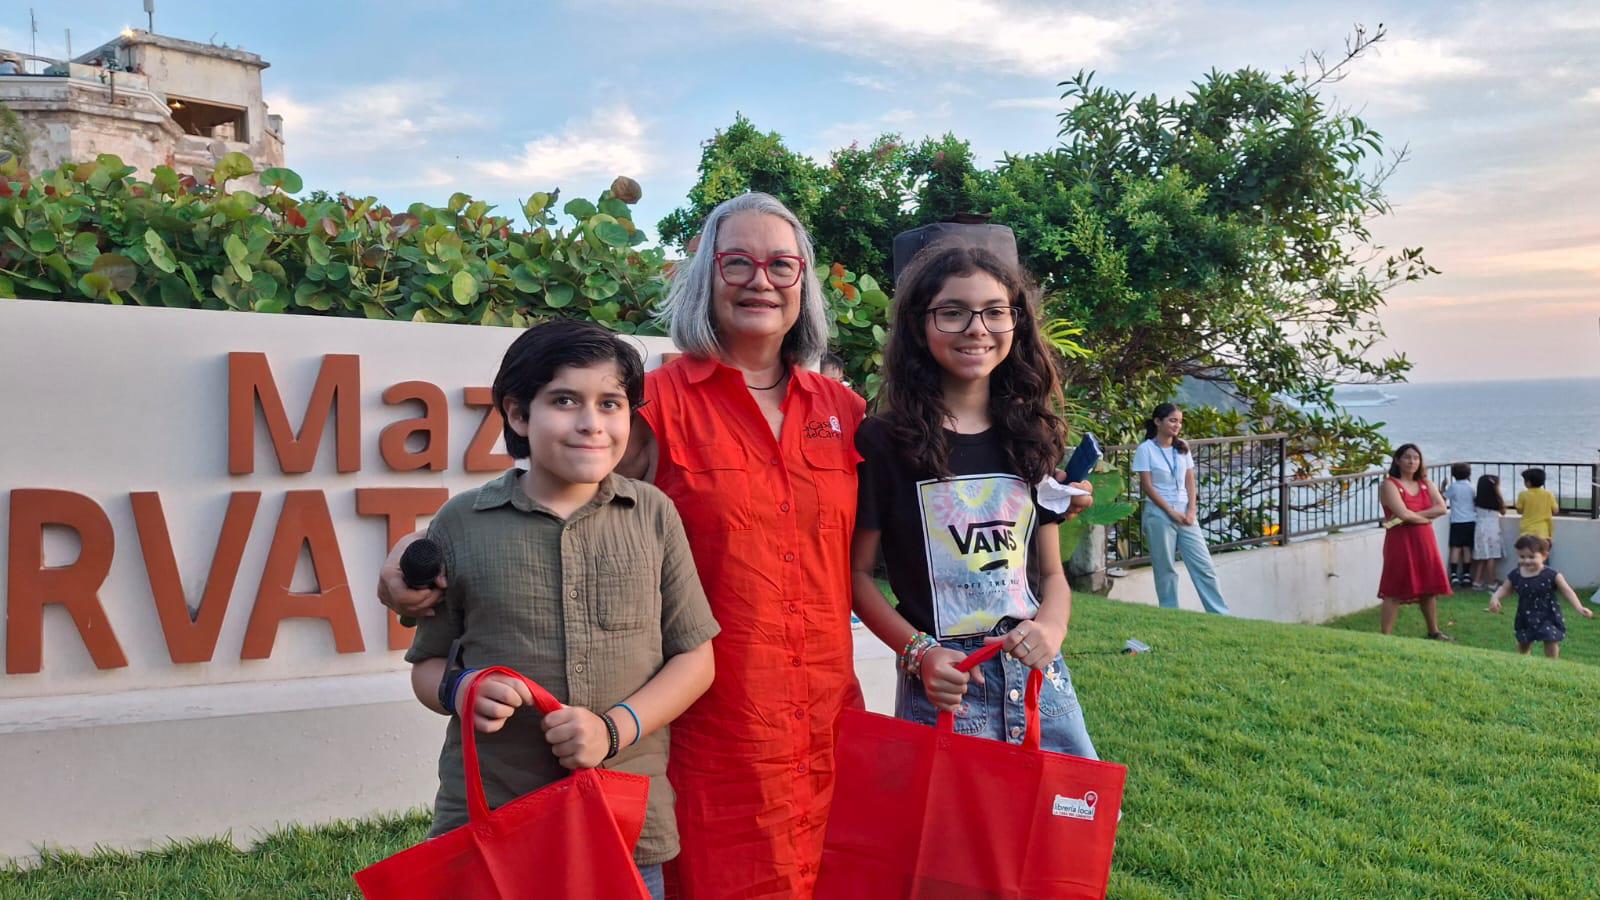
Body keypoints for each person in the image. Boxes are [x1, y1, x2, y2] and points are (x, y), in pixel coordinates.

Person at [384, 192, 866, 899]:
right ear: (706, 276)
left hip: (822, 718)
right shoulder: (653, 406)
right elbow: (554, 498)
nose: (760, 280)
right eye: (737, 262)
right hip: (705, 727)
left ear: (804, 282)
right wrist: (407, 567)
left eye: (781, 264)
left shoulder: (843, 411)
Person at [402, 320, 718, 900]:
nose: (591, 422)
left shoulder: (653, 515)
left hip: (625, 820)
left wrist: (611, 729)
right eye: (565, 400)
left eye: (611, 403)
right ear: (519, 415)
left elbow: (696, 660)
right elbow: (426, 666)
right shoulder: (462, 524)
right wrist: (462, 689)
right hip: (497, 815)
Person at [851, 242, 1097, 760]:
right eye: (953, 312)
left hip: (1038, 681)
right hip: (946, 688)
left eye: (994, 312)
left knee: (1062, 833)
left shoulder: (1032, 436)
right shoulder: (884, 441)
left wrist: (1052, 628)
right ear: (921, 325)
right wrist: (919, 653)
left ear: (1016, 322)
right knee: (952, 838)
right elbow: (856, 577)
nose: (976, 328)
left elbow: (1051, 575)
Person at [1130, 403, 1231, 614]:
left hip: (1186, 512)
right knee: (1165, 568)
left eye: (1180, 421)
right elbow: (1147, 486)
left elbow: (1190, 480)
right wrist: (1170, 511)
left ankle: (1220, 614)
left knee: (1204, 566)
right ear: (1158, 421)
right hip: (1159, 513)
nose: (1177, 425)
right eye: (1172, 420)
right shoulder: (1145, 449)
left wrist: (1191, 510)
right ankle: (1170, 613)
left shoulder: (1182, 447)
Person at [1376, 443, 1454, 640]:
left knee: (1429, 586)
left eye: (1416, 458)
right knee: (1394, 587)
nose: (1412, 461)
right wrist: (1424, 518)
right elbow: (1402, 513)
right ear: (1397, 460)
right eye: (1407, 457)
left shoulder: (1426, 483)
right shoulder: (1389, 485)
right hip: (1400, 542)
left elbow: (1442, 508)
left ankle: (1433, 631)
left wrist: (1414, 517)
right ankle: (1385, 635)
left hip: (1424, 540)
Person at [1487, 535, 1592, 658]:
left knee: (1550, 639)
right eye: (1522, 557)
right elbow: (1505, 588)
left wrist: (1579, 607)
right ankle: (1523, 661)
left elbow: (1567, 591)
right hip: (1525, 614)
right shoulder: (1516, 574)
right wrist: (1495, 597)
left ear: (1544, 556)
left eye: (1531, 557)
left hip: (1548, 614)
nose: (1526, 561)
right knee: (1524, 642)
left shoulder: (1552, 574)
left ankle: (1552, 664)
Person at [1443, 462, 1477, 587]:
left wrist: (1442, 488)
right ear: (1469, 474)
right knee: (1467, 547)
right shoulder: (1472, 487)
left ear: (1453, 474)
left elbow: (1443, 498)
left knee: (1455, 548)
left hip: (1457, 520)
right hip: (1471, 520)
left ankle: (1454, 574)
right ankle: (1467, 574)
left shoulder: (1453, 487)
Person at [1471, 474, 1506, 590]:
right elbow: (1504, 511)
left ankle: (1477, 581)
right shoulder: (1496, 501)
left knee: (1482, 556)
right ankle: (1492, 582)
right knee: (1492, 556)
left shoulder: (1477, 500)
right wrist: (1497, 492)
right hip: (1492, 530)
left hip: (1480, 528)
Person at [1515, 467, 1558, 545]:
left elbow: (1519, 511)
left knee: (1528, 555)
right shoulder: (1548, 494)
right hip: (1544, 532)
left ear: (1528, 482)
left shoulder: (1523, 494)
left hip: (1527, 531)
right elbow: (1555, 510)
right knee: (1542, 555)